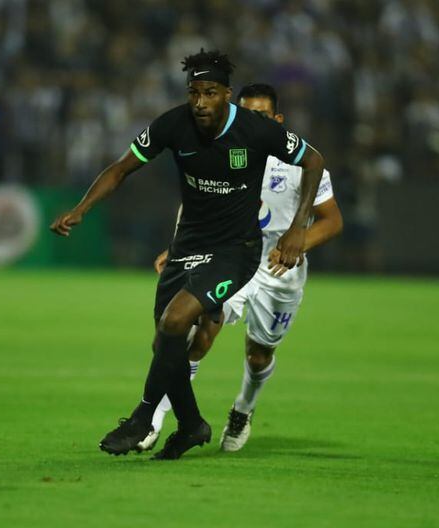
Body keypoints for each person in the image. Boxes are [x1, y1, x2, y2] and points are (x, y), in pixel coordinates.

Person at [50, 50, 326, 460]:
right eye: (194, 92)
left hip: (236, 251)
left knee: (176, 321)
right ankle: (192, 424)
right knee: (166, 341)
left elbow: (314, 160)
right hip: (188, 245)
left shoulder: (255, 130)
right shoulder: (173, 124)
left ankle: (142, 418)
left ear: (227, 95)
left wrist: (298, 228)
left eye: (209, 93)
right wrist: (81, 208)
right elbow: (121, 168)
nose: (200, 102)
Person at [138, 83, 343, 453]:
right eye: (245, 113)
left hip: (280, 269)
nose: (251, 122)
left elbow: (332, 220)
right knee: (198, 334)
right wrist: (179, 246)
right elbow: (198, 203)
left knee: (259, 353)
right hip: (228, 255)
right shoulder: (222, 150)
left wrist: (298, 241)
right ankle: (155, 420)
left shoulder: (299, 163)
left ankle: (243, 409)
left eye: (260, 116)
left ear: (277, 120)